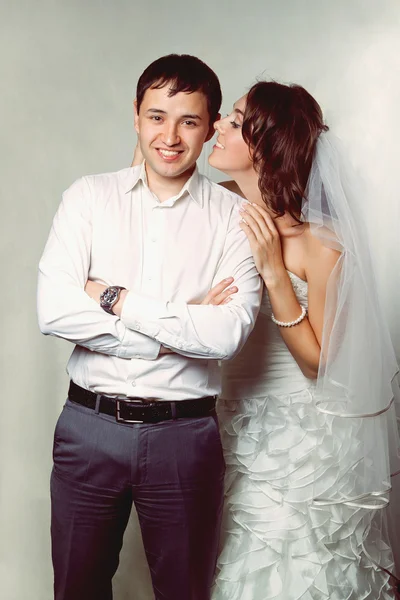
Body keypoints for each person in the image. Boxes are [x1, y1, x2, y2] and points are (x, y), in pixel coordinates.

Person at [37, 53, 262, 600]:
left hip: (184, 438)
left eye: (188, 121)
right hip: (88, 430)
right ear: (135, 117)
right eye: (157, 116)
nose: (170, 136)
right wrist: (174, 332)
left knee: (185, 591)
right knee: (76, 589)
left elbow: (226, 334)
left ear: (210, 128)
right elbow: (55, 310)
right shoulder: (87, 198)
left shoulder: (234, 218)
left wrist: (115, 298)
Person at [206, 82, 400, 599]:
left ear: (267, 144)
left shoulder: (322, 243)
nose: (219, 124)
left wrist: (273, 274)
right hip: (223, 419)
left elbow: (320, 363)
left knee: (283, 565)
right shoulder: (219, 208)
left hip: (297, 441)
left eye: (235, 119)